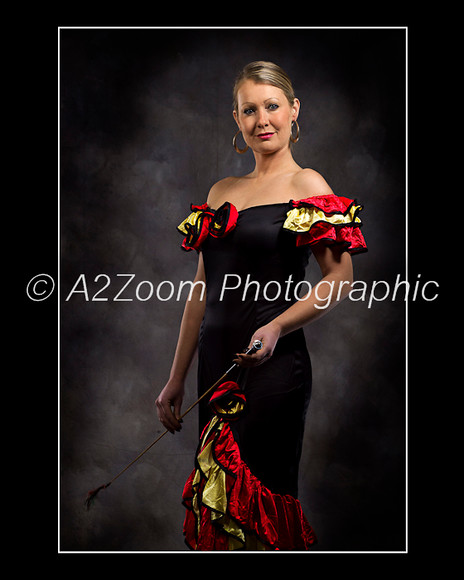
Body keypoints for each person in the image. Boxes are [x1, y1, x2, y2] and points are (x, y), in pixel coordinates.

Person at [155, 61, 367, 550]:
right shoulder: (221, 192)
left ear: (294, 111)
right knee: (221, 499)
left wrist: (276, 326)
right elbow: (200, 295)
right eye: (249, 110)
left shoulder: (308, 185)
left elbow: (340, 279)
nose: (262, 119)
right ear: (236, 118)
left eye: (272, 106)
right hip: (215, 366)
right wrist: (175, 377)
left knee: (259, 503)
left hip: (274, 370)